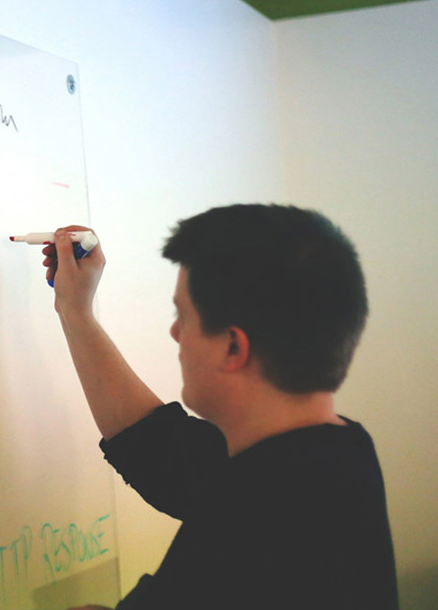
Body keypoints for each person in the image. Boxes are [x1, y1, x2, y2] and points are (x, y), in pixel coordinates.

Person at [43, 204, 398, 610]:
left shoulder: (263, 512)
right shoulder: (335, 455)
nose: (175, 333)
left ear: (233, 347)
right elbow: (160, 450)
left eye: (183, 316)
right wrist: (75, 311)